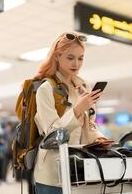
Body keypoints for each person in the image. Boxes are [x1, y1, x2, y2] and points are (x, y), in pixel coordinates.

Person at [32, 32, 109, 194]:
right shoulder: (46, 89)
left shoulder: (84, 88)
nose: (76, 63)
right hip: (52, 174)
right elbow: (53, 134)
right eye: (70, 57)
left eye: (80, 58)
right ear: (57, 57)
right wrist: (78, 108)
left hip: (79, 169)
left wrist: (98, 138)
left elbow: (89, 126)